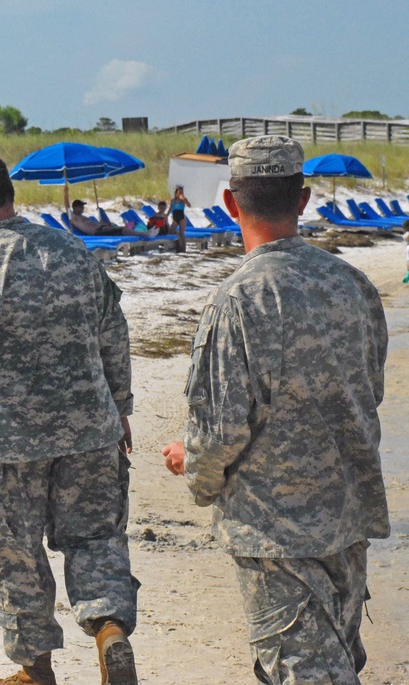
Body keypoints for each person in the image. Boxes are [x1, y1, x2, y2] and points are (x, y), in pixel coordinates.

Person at [162, 136, 390, 684]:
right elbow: (369, 389)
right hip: (346, 513)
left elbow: (218, 433)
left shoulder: (238, 300)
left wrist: (191, 466)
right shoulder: (352, 284)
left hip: (274, 530)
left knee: (308, 673)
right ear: (304, 199)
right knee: (331, 662)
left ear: (232, 203)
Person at [0, 152, 140, 685]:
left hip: (9, 445)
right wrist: (121, 407)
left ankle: (36, 671)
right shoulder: (75, 253)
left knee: (16, 554)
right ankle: (110, 632)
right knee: (95, 538)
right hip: (91, 432)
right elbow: (115, 335)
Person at [68, 199, 135, 236]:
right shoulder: (74, 218)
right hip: (97, 232)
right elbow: (67, 207)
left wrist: (101, 224)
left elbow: (92, 224)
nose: (82, 208)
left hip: (101, 229)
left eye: (83, 206)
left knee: (119, 228)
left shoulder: (82, 216)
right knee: (122, 230)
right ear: (75, 208)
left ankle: (140, 233)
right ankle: (143, 234)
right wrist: (66, 192)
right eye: (81, 207)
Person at [169, 185, 191, 252]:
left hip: (182, 217)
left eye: (182, 192)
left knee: (182, 233)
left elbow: (189, 205)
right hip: (175, 218)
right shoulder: (173, 200)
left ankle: (183, 249)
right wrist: (166, 215)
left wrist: (184, 199)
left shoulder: (183, 200)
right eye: (179, 192)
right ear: (176, 193)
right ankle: (177, 245)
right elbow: (170, 209)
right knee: (171, 231)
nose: (181, 194)